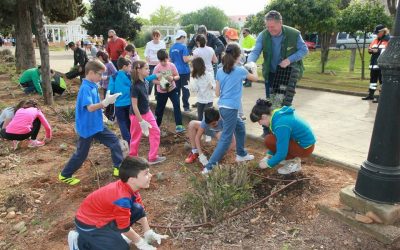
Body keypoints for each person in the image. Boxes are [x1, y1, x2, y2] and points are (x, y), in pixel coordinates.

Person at [67, 157, 168, 250]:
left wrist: (148, 232)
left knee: (137, 208)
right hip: (90, 225)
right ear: (132, 179)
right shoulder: (121, 199)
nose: (151, 175)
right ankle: (79, 242)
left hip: (106, 217)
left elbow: (139, 209)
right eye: (146, 173)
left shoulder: (130, 187)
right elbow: (124, 228)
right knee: (121, 248)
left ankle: (112, 234)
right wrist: (141, 243)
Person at [58, 60, 123, 185]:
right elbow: (90, 107)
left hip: (97, 125)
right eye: (100, 74)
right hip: (87, 127)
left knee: (114, 141)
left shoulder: (93, 85)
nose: (101, 77)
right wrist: (105, 103)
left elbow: (95, 107)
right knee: (81, 154)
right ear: (91, 73)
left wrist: (103, 109)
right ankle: (65, 175)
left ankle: (118, 167)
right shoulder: (85, 88)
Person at [247, 10, 308, 135]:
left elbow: (304, 50)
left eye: (272, 27)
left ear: (280, 23)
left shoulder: (294, 34)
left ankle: (283, 129)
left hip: (287, 74)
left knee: (284, 101)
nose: (270, 29)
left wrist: (289, 60)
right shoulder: (263, 35)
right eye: (267, 27)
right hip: (271, 73)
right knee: (270, 101)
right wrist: (250, 62)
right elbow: (255, 51)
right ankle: (267, 130)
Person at [202, 43, 258, 174]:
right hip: (231, 109)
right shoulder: (240, 70)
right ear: (238, 56)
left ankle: (241, 154)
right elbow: (255, 78)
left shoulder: (220, 71)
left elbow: (217, 93)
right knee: (226, 138)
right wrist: (254, 67)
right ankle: (209, 167)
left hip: (223, 107)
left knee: (240, 127)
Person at [250, 99, 316, 175]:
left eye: (259, 121)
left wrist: (268, 164)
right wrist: (269, 155)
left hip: (305, 148)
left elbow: (282, 152)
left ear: (264, 116)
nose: (259, 124)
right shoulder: (275, 114)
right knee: (270, 139)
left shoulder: (281, 125)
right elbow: (277, 138)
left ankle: (294, 163)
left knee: (270, 140)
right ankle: (288, 158)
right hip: (297, 142)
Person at [129, 61, 166, 165]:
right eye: (146, 68)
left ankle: (153, 157)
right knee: (136, 137)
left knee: (156, 132)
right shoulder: (134, 86)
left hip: (147, 111)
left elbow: (155, 77)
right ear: (138, 70)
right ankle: (133, 159)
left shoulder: (145, 80)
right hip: (136, 115)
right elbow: (134, 105)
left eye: (148, 68)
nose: (148, 70)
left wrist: (162, 75)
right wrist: (141, 121)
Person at [153, 49, 185, 133]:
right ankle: (156, 127)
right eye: (161, 61)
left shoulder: (172, 65)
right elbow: (153, 80)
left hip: (172, 89)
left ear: (168, 58)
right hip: (161, 92)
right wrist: (160, 82)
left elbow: (177, 76)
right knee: (159, 109)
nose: (163, 62)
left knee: (177, 105)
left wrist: (173, 78)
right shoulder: (157, 68)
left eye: (165, 60)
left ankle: (179, 126)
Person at [362, 24, 390, 103]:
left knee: (382, 81)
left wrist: (378, 51)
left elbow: (388, 51)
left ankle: (381, 97)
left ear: (383, 31)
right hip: (374, 64)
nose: (376, 34)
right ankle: (371, 95)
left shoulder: (388, 40)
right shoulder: (376, 40)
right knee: (373, 80)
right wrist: (370, 50)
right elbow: (370, 47)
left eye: (378, 33)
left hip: (382, 64)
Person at [108, 57, 133, 144]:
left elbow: (110, 90)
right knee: (129, 121)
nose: (130, 68)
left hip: (119, 104)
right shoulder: (129, 76)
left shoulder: (113, 76)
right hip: (129, 103)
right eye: (129, 66)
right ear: (124, 66)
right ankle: (131, 138)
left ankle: (127, 140)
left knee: (122, 122)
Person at [169, 30, 192, 112]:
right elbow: (185, 60)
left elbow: (170, 60)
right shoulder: (183, 47)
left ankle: (176, 106)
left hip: (175, 71)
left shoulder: (172, 47)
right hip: (184, 71)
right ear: (182, 37)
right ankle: (186, 107)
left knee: (176, 89)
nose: (185, 39)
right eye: (185, 38)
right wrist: (191, 58)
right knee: (185, 89)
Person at [144, 30, 166, 96]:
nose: (156, 37)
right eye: (154, 36)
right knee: (151, 80)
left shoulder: (162, 43)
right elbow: (145, 53)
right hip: (151, 64)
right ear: (152, 36)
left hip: (159, 64)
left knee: (161, 78)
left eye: (157, 36)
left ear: (159, 36)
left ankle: (158, 94)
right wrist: (147, 57)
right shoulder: (149, 44)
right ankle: (147, 94)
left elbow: (164, 53)